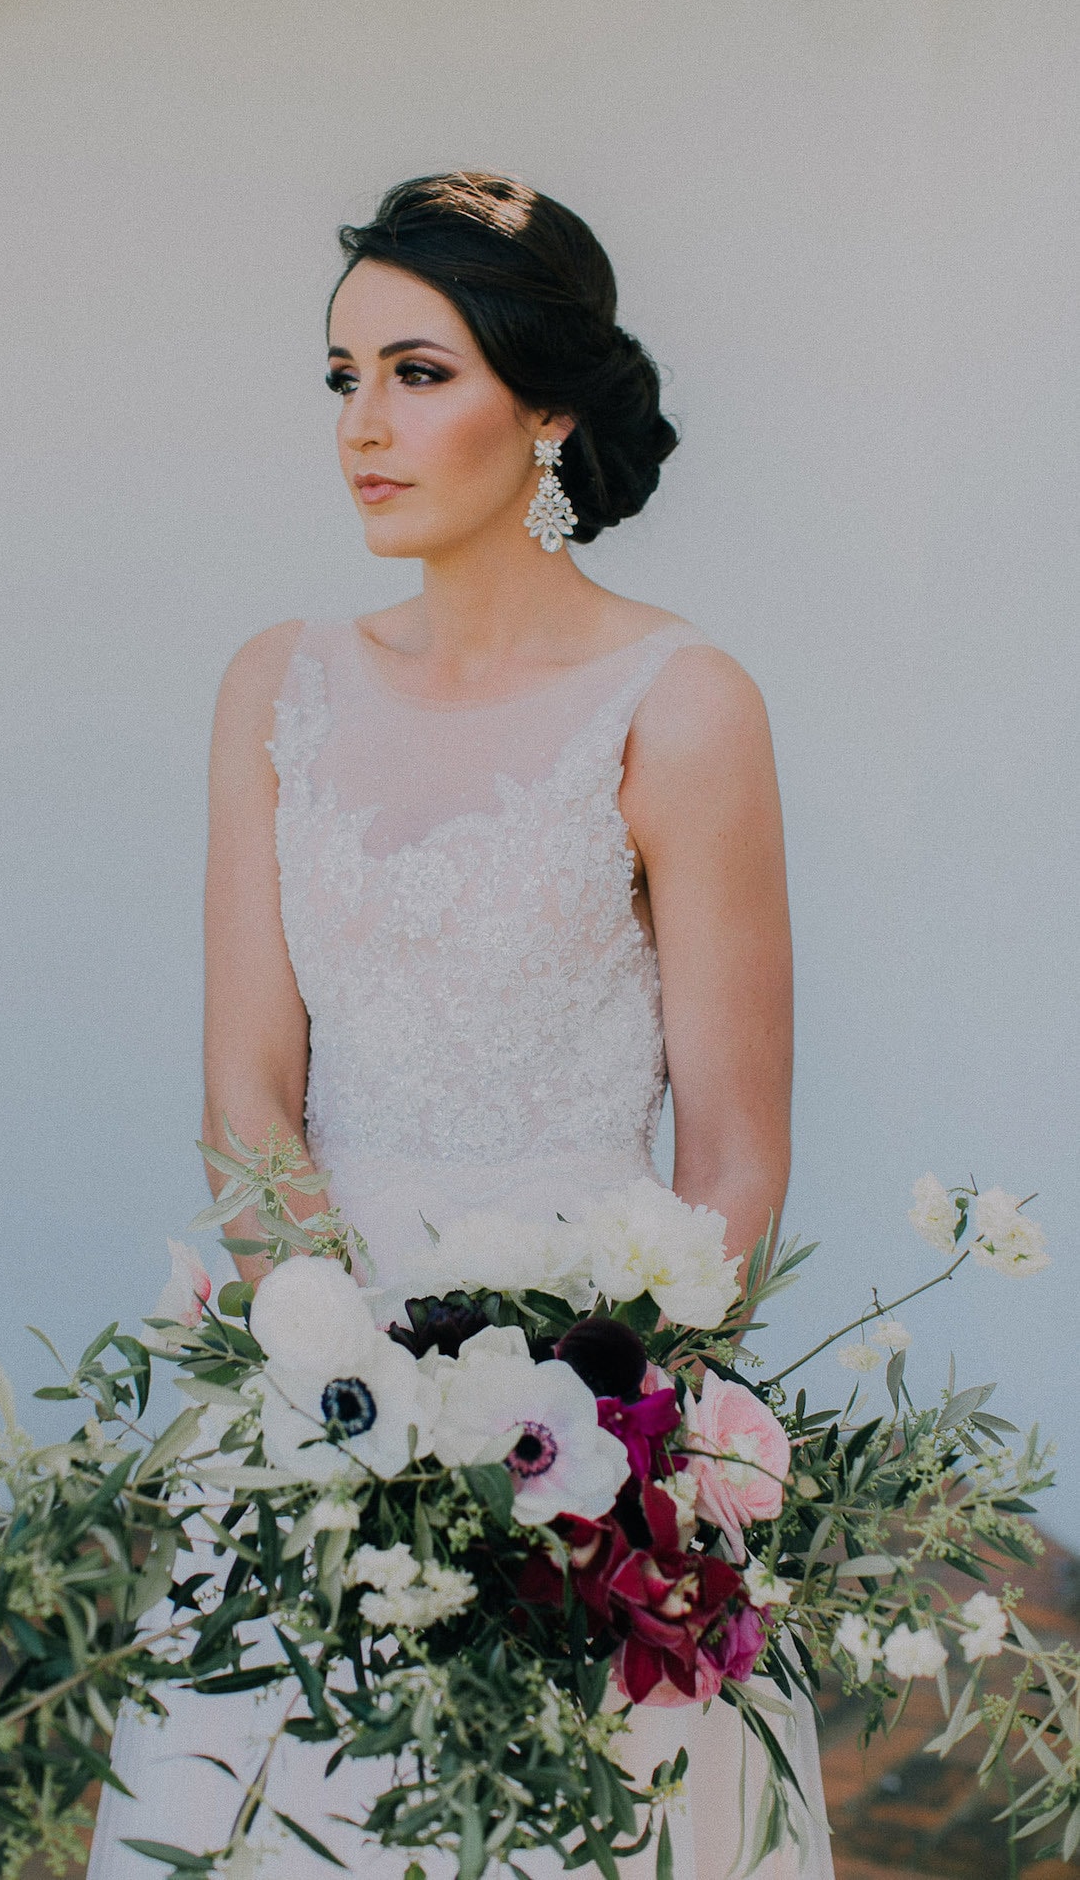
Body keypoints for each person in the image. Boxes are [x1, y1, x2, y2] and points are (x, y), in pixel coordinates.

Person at [88, 172, 834, 1879]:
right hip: (310, 1372)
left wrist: (599, 1444)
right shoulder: (273, 685)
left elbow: (734, 1145)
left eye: (419, 372)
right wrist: (332, 1379)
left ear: (548, 401)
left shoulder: (683, 704)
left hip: (587, 1406)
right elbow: (247, 1086)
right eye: (342, 375)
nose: (364, 423)